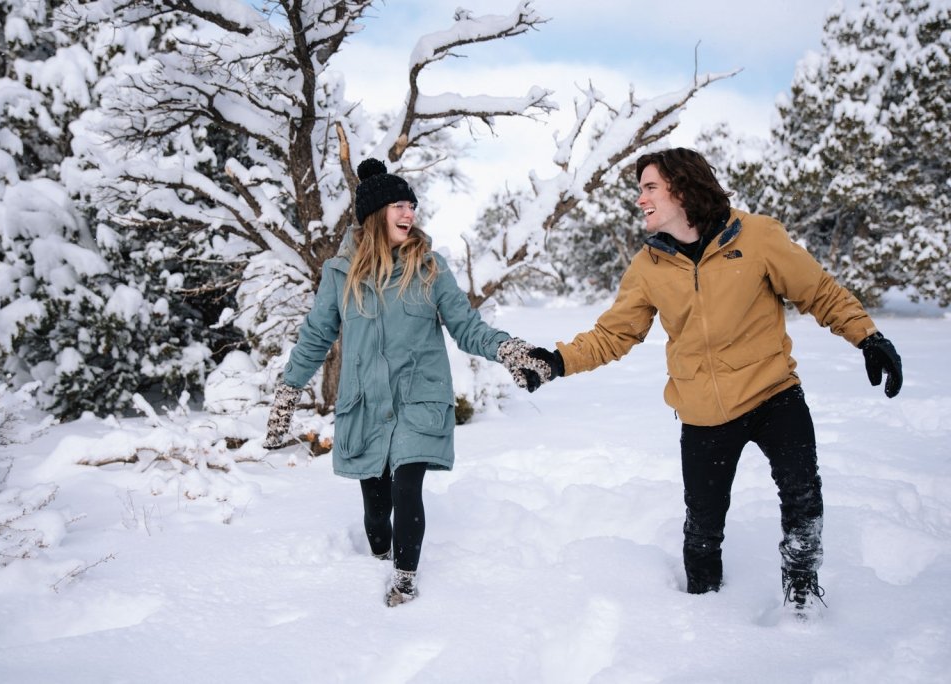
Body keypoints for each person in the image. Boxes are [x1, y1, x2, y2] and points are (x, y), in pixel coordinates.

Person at [522, 147, 903, 620]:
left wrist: (868, 336)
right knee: (703, 526)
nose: (640, 199)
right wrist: (555, 362)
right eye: (639, 190)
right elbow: (613, 334)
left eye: (649, 188)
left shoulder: (758, 236)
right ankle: (703, 612)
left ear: (681, 189)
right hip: (704, 413)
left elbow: (818, 291)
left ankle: (803, 594)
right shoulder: (650, 266)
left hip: (773, 394)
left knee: (803, 496)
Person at [262, 158, 540, 607]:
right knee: (376, 513)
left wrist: (509, 350)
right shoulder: (340, 274)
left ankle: (405, 578)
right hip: (366, 406)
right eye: (398, 204)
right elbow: (316, 335)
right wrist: (287, 394)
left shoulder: (430, 268)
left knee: (406, 485)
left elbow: (466, 326)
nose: (409, 212)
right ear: (375, 215)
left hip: (418, 400)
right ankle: (379, 552)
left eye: (411, 204)